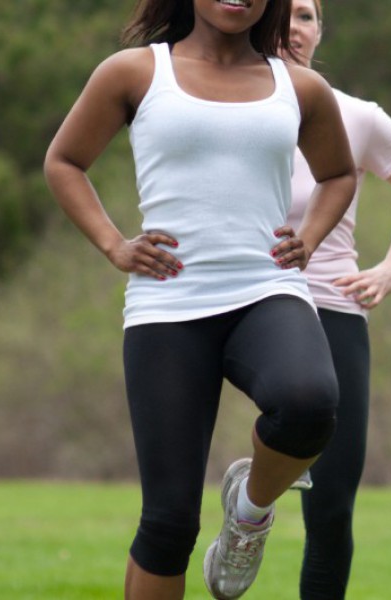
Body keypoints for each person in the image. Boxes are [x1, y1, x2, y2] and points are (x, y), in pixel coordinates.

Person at [41, 0, 357, 597]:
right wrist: (113, 244)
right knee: (168, 523)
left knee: (310, 403)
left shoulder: (300, 87)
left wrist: (310, 238)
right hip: (168, 302)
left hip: (266, 286)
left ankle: (250, 512)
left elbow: (339, 174)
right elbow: (64, 161)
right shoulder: (135, 72)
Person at [260, 0, 391, 597]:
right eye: (283, 12)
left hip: (331, 303)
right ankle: (248, 508)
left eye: (307, 16)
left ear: (320, 32)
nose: (294, 27)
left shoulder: (357, 117)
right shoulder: (220, 110)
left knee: (332, 506)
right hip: (235, 302)